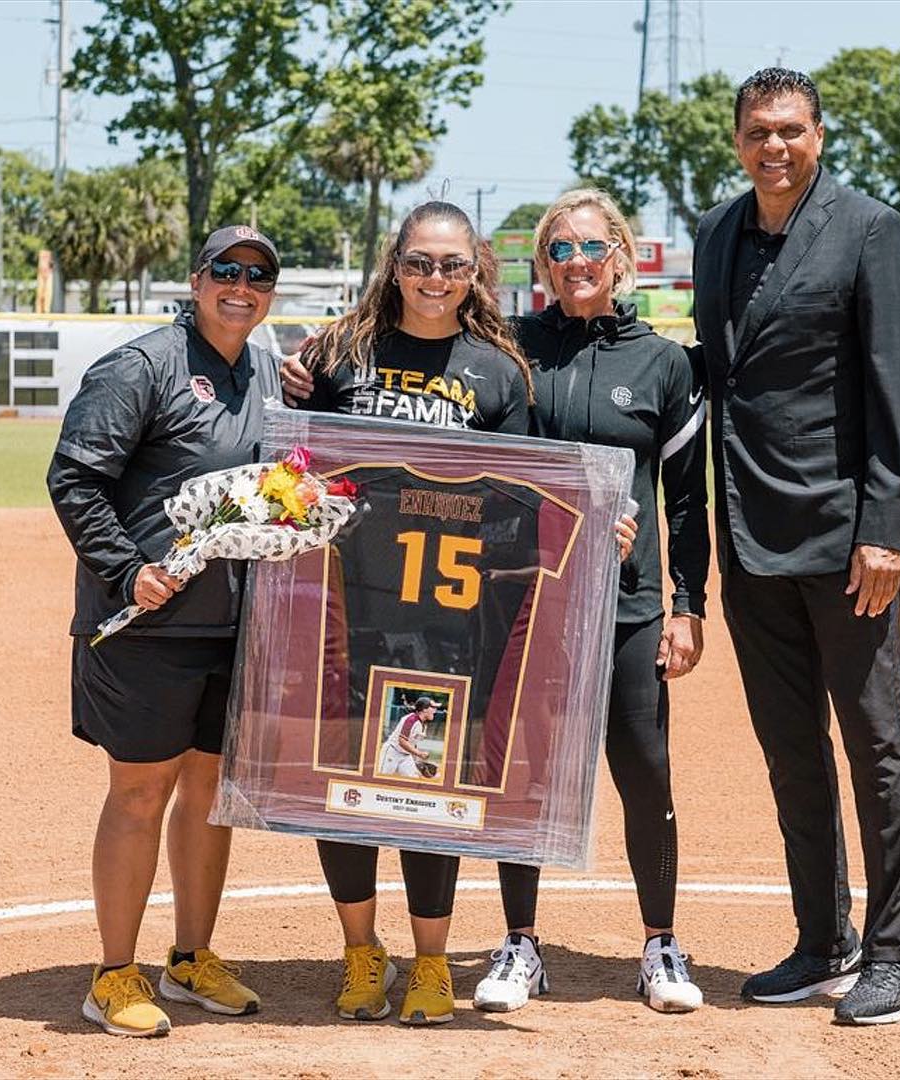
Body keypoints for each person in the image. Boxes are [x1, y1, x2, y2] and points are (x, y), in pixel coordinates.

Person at [691, 68, 900, 1025]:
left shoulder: (869, 229)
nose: (773, 147)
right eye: (757, 132)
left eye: (790, 131)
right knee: (790, 751)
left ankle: (893, 956)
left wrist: (886, 530)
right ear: (738, 139)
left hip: (844, 546)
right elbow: (717, 369)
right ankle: (821, 940)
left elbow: (899, 386)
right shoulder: (717, 231)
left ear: (819, 136)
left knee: (875, 745)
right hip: (747, 539)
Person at [284, 200, 539, 1026]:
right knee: (342, 785)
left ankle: (431, 964)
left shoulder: (496, 373)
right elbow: (293, 462)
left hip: (440, 619)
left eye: (453, 265)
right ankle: (362, 952)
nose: (435, 279)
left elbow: (521, 501)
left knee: (422, 782)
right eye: (420, 263)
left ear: (476, 273)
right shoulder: (340, 354)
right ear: (395, 264)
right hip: (342, 606)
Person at [455, 189, 708, 1015]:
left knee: (644, 770)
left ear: (621, 257)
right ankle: (521, 943)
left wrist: (686, 603)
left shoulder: (663, 364)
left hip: (629, 606)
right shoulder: (512, 350)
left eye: (590, 248)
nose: (575, 264)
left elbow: (684, 503)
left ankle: (661, 946)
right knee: (519, 773)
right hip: (526, 599)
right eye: (558, 251)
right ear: (542, 266)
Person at [47, 225, 283, 1037]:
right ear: (196, 278)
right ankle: (114, 975)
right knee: (140, 790)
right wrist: (126, 570)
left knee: (211, 792)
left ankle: (190, 959)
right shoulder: (142, 365)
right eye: (226, 270)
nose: (240, 286)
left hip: (232, 624)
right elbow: (75, 474)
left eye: (257, 276)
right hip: (146, 624)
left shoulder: (264, 371)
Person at [378, 698, 437, 779]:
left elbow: (413, 742)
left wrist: (415, 759)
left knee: (413, 779)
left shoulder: (423, 724)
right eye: (433, 707)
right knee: (382, 778)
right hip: (392, 751)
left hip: (406, 756)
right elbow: (402, 741)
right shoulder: (411, 720)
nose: (435, 710)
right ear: (424, 709)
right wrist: (419, 753)